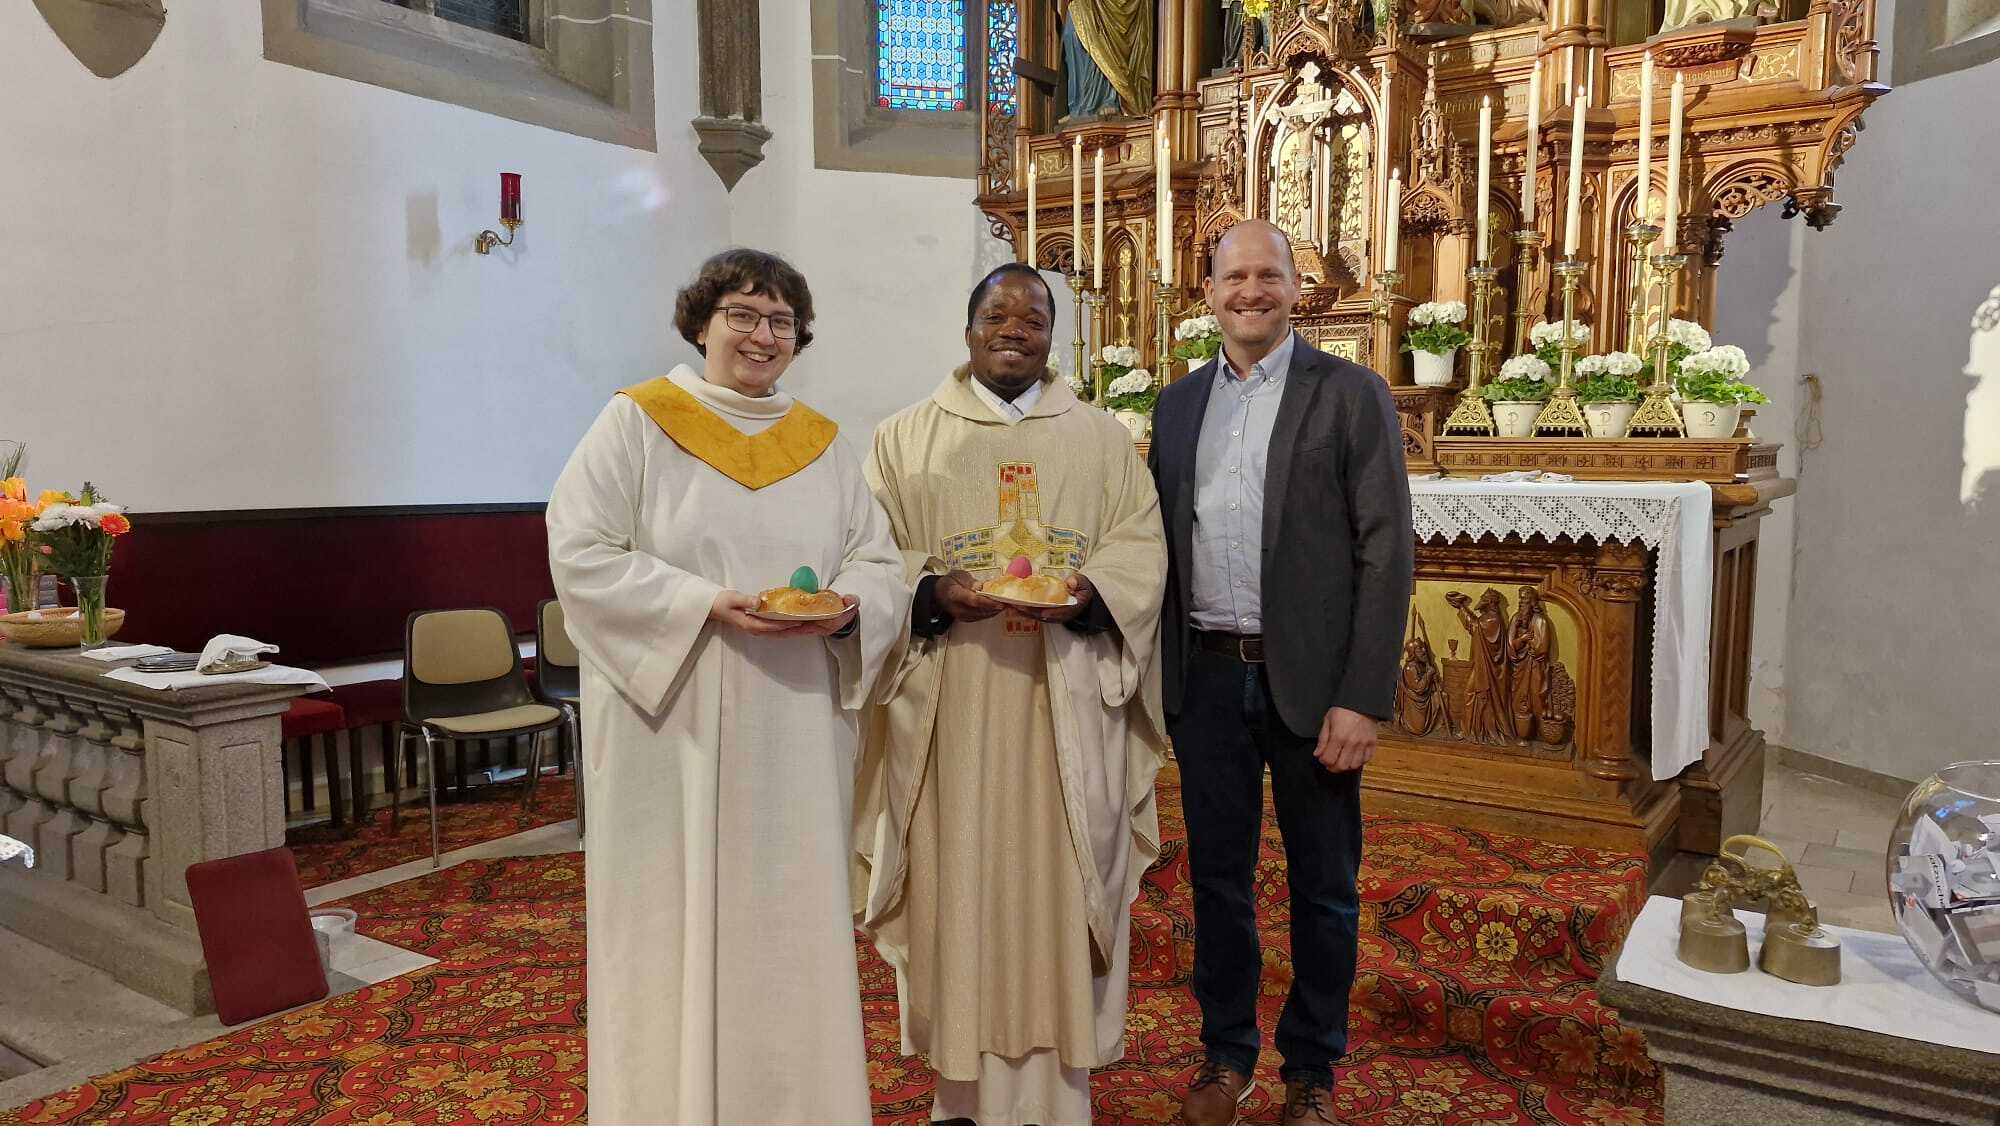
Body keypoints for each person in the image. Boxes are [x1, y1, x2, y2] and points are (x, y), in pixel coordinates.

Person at [546, 248, 908, 1126]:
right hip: (672, 723)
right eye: (743, 313)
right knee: (669, 920)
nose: (762, 334)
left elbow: (877, 557)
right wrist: (706, 604)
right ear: (701, 323)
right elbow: (581, 551)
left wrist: (850, 605)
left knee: (789, 924)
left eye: (781, 320)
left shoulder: (822, 444)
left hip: (794, 721)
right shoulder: (637, 422)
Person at [856, 263, 1168, 1126]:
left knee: (1062, 886)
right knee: (960, 888)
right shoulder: (904, 439)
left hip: (1066, 700)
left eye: (1034, 318)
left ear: (1051, 337)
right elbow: (871, 560)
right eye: (997, 314)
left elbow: (1142, 547)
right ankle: (961, 1099)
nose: (1015, 329)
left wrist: (1092, 593)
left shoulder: (1102, 439)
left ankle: (1058, 1104)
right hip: (951, 708)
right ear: (967, 331)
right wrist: (928, 590)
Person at [1148, 220, 1414, 1125]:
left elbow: (1387, 553)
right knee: (1217, 880)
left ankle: (1311, 1069)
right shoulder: (1177, 406)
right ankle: (1227, 1055)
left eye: (1269, 275)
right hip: (1209, 679)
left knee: (1324, 887)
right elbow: (1157, 548)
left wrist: (1362, 696)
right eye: (1234, 276)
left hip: (1312, 686)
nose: (1251, 291)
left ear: (1298, 289)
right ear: (1209, 292)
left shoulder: (1349, 393)